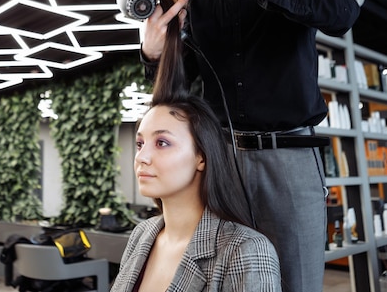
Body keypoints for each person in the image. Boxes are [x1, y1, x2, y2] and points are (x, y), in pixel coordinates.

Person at [139, 0, 361, 291]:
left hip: (289, 161)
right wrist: (155, 54)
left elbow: (343, 12)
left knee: (296, 282)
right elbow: (183, 90)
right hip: (218, 161)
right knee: (220, 279)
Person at [110, 94, 281, 292]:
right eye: (140, 144)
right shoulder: (141, 234)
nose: (142, 157)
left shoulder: (246, 251)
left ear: (201, 156)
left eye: (162, 143)